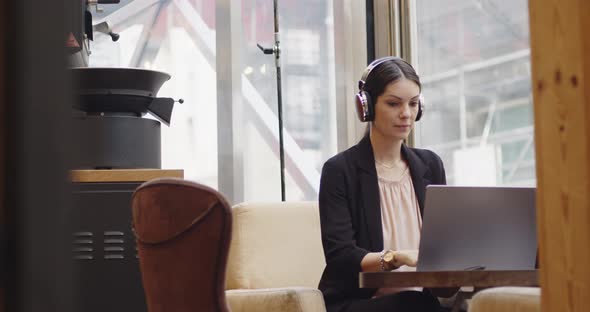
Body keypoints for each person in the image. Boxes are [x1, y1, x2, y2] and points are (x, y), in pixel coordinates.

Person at [318, 56, 447, 312]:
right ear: (366, 106)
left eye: (413, 104)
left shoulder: (430, 165)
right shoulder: (340, 171)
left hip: (424, 300)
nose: (406, 114)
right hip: (359, 302)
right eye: (393, 103)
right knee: (416, 304)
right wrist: (395, 257)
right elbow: (341, 256)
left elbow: (441, 245)